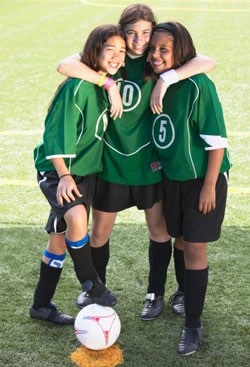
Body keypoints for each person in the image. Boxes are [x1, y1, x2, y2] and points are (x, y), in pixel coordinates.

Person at [56, 3, 217, 321]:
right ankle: (94, 289)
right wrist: (106, 83)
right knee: (99, 232)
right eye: (131, 33)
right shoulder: (110, 59)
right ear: (121, 33)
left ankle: (154, 293)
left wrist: (166, 79)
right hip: (113, 163)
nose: (139, 40)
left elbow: (207, 62)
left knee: (158, 230)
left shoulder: (155, 61)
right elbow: (64, 65)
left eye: (146, 32)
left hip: (149, 165)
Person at [29, 24, 126, 325]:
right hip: (60, 170)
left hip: (86, 171)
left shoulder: (105, 80)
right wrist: (64, 176)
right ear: (94, 50)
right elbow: (54, 135)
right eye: (109, 48)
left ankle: (41, 306)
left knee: (58, 240)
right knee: (77, 219)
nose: (116, 56)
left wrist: (111, 85)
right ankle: (91, 282)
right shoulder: (77, 87)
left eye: (121, 51)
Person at [147, 21, 231, 355]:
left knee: (195, 248)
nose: (155, 55)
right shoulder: (152, 81)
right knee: (179, 240)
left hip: (202, 180)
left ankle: (193, 325)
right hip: (172, 180)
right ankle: (182, 293)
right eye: (153, 49)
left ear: (180, 51)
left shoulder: (198, 86)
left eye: (163, 50)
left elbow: (216, 143)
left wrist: (209, 185)